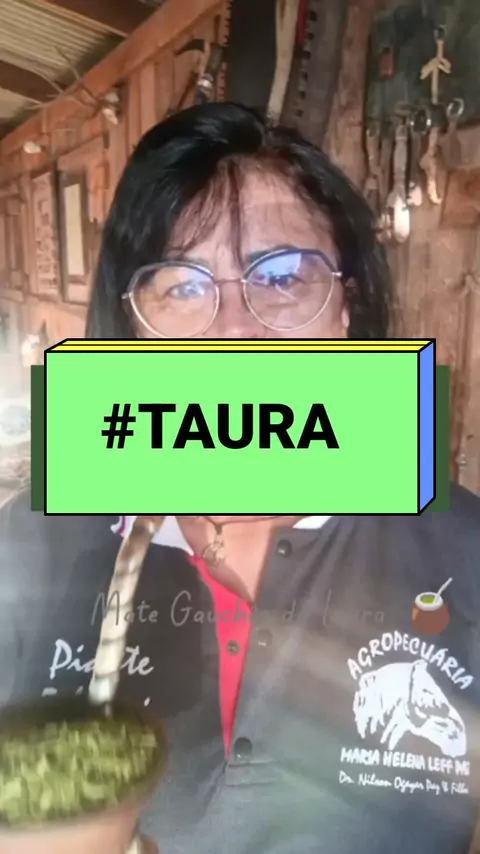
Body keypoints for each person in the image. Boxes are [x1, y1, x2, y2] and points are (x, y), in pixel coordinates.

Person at [1, 102, 480, 854]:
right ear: (133, 326)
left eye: (283, 276)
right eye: (181, 286)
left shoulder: (463, 550)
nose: (233, 331)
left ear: (346, 308)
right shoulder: (32, 544)